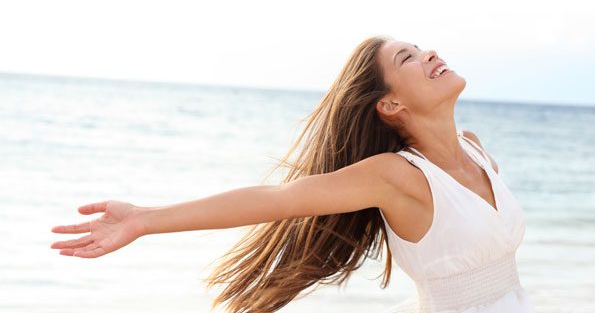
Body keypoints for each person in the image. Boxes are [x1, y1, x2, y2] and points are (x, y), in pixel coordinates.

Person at [50, 35, 535, 312]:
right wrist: (145, 217)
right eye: (408, 57)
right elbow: (277, 199)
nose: (429, 53)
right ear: (390, 103)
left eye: (422, 47)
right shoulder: (397, 176)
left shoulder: (476, 149)